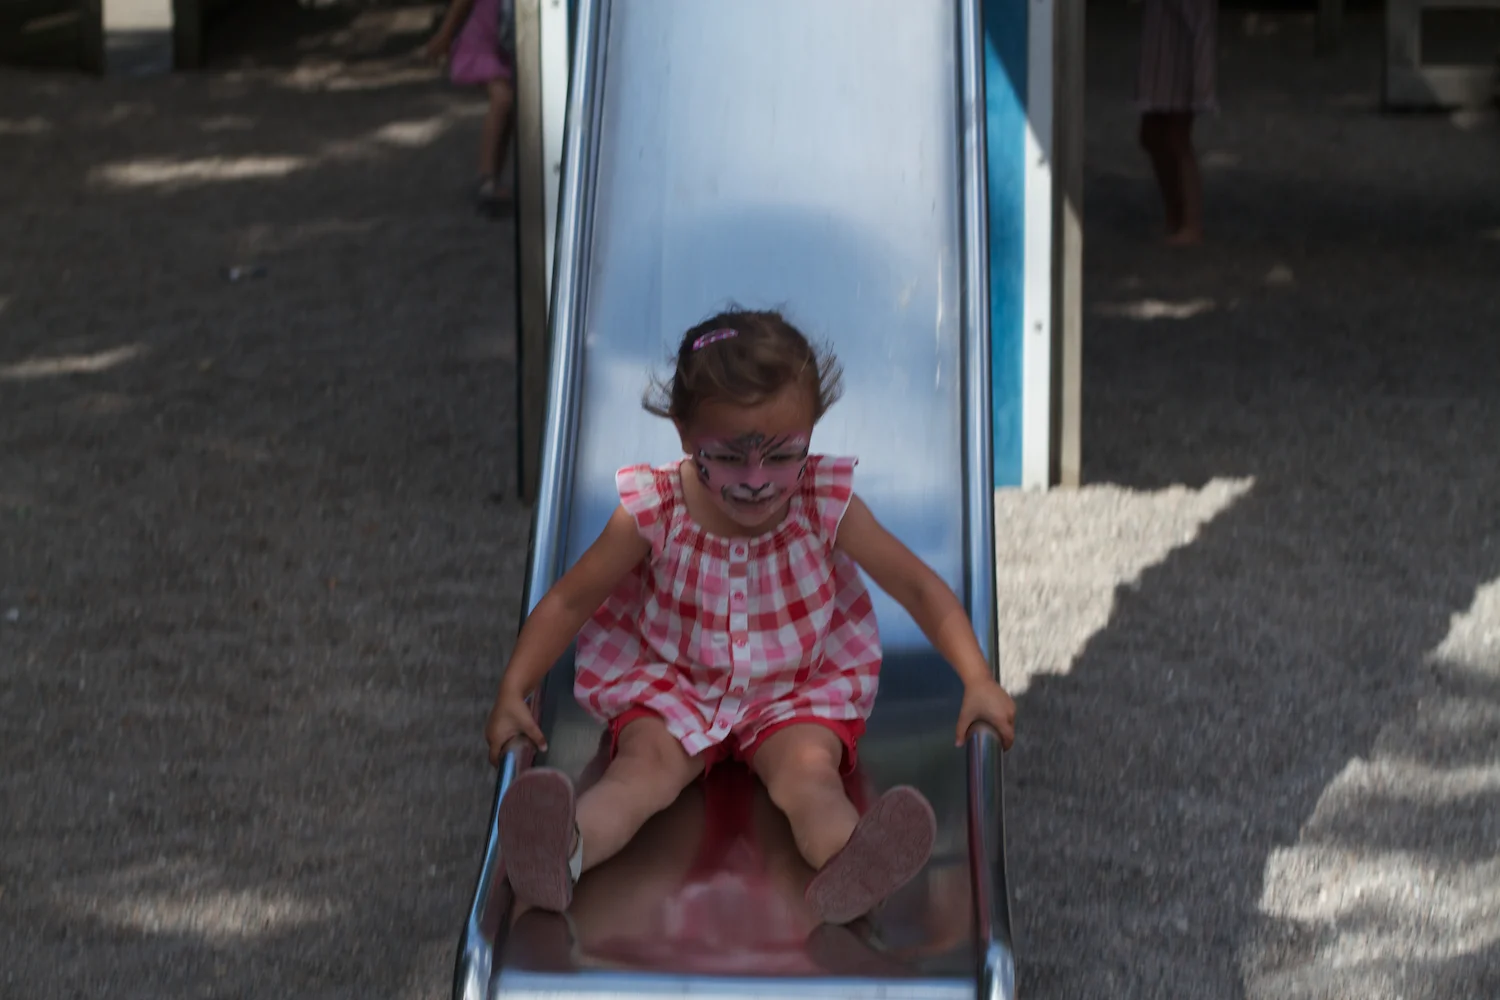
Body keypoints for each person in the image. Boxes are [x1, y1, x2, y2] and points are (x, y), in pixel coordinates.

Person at [484, 308, 1017, 925]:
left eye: (783, 454)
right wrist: (512, 688)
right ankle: (561, 853)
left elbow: (918, 587)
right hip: (673, 684)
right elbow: (570, 599)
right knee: (641, 774)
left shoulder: (823, 500)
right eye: (731, 458)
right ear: (685, 434)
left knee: (808, 777)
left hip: (794, 691)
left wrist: (977, 680)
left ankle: (854, 862)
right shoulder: (654, 507)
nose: (758, 481)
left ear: (811, 432)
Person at [424, 0, 516, 216]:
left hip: (502, 40)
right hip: (480, 40)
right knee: (502, 99)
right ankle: (486, 178)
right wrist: (444, 36)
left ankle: (494, 176)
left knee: (507, 109)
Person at [1137, 0, 1217, 245]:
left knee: (1176, 135)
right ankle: (1176, 214)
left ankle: (1191, 223)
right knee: (1151, 133)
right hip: (1163, 47)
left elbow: (1202, 25)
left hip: (1181, 57)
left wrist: (1200, 77)